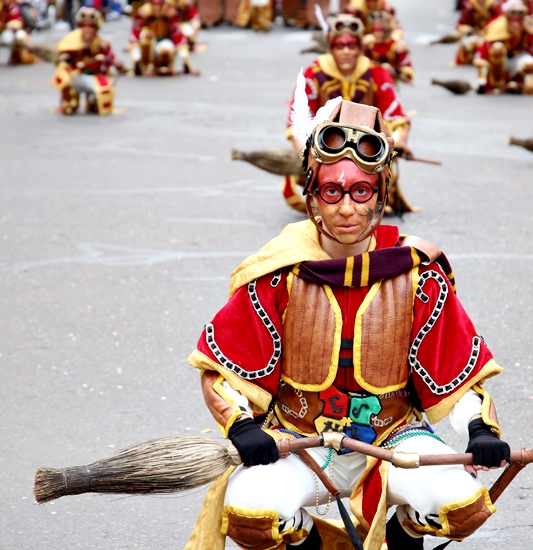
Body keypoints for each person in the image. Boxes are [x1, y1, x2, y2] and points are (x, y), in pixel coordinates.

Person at [183, 98, 510, 550]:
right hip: (299, 439)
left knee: (464, 506)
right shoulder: (280, 272)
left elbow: (453, 370)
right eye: (332, 191)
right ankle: (313, 542)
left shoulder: (416, 271)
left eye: (361, 190)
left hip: (396, 442)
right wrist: (242, 426)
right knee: (251, 517)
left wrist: (479, 429)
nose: (346, 207)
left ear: (381, 193)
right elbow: (224, 374)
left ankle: (399, 534)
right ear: (312, 193)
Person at [283, 14, 415, 215]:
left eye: (351, 46)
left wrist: (396, 143)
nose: (346, 51)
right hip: (324, 148)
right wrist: (306, 155)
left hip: (368, 149)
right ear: (330, 46)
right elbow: (298, 122)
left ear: (360, 47)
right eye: (339, 45)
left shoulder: (376, 72)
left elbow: (395, 115)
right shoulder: (313, 72)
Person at [473, 0, 533, 94]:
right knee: (497, 48)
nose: (516, 19)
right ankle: (497, 84)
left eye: (520, 15)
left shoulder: (526, 29)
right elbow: (481, 55)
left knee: (530, 64)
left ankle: (516, 83)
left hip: (515, 64)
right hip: (499, 66)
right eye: (513, 14)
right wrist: (481, 81)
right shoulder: (496, 27)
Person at [51, 7, 116, 115]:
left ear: (95, 29)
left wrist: (104, 53)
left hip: (94, 76)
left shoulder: (101, 43)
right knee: (63, 70)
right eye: (84, 26)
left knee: (104, 89)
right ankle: (69, 102)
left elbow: (110, 62)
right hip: (75, 76)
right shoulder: (71, 41)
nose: (87, 29)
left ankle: (92, 101)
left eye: (90, 27)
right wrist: (66, 59)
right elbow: (59, 57)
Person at [130, 0, 193, 75]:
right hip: (149, 44)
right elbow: (135, 34)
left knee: (166, 50)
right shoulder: (143, 12)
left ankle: (164, 66)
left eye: (159, 5)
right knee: (144, 39)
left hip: (163, 41)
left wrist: (184, 57)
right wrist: (136, 58)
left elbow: (177, 35)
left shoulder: (170, 12)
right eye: (154, 5)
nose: (157, 8)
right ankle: (144, 66)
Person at [362, 10, 414, 84]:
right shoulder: (368, 43)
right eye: (374, 30)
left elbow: (409, 78)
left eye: (380, 30)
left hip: (388, 84)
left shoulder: (396, 45)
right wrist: (361, 48)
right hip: (369, 84)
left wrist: (394, 71)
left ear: (387, 29)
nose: (377, 33)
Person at [454, 0, 498, 65]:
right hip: (473, 33)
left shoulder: (493, 6)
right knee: (473, 41)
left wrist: (486, 32)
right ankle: (469, 57)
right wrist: (469, 31)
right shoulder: (469, 6)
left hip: (489, 34)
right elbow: (462, 23)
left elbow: (497, 22)